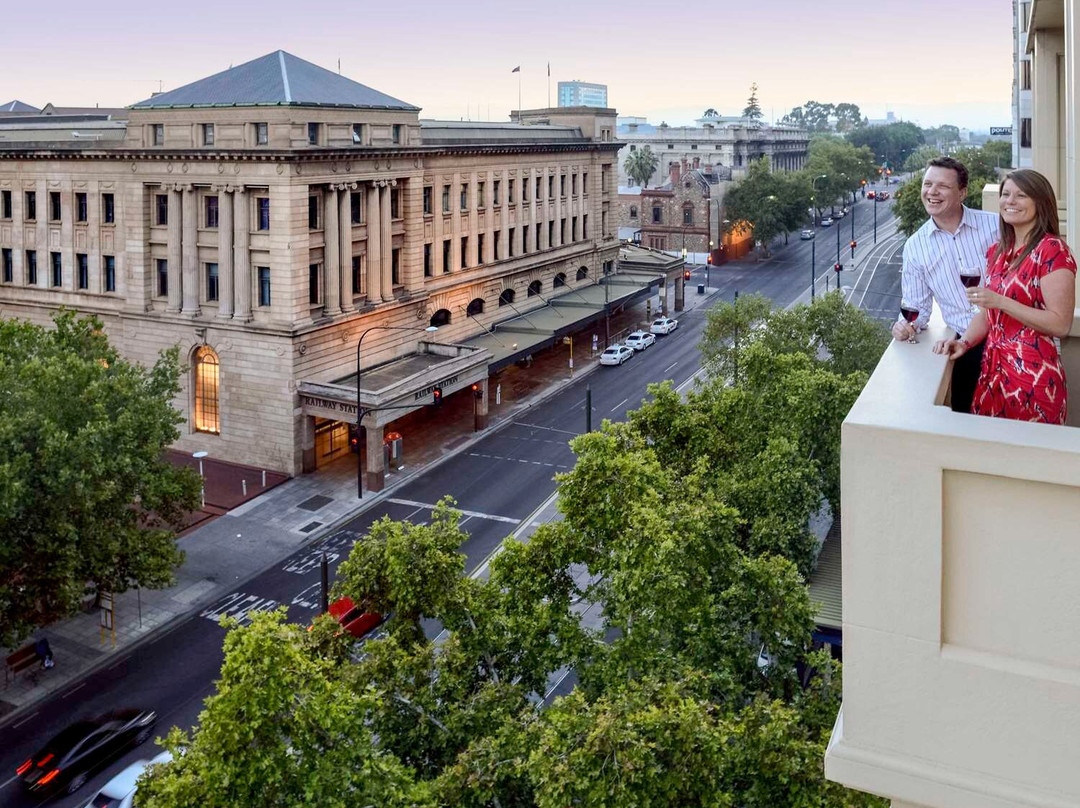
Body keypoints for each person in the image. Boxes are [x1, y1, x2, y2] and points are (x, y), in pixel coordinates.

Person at [935, 169, 1076, 424]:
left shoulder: (1052, 250)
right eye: (1006, 194)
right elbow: (987, 317)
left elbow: (1061, 323)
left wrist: (1000, 301)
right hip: (992, 373)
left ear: (1040, 203)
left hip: (1032, 377)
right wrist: (964, 343)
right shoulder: (998, 251)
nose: (1010, 201)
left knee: (1029, 458)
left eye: (1021, 195)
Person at [893, 157, 1000, 412]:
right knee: (969, 425)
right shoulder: (916, 247)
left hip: (1012, 338)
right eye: (927, 184)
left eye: (942, 186)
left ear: (962, 192)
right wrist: (905, 326)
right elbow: (916, 308)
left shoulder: (996, 226)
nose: (932, 192)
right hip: (967, 348)